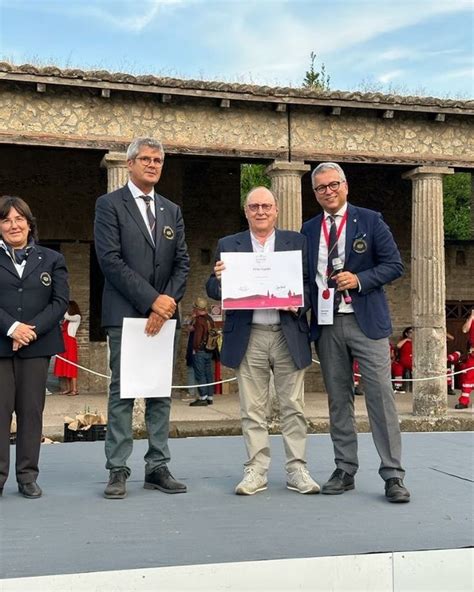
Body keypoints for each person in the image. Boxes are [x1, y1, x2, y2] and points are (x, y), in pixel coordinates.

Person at [301, 162, 410, 503]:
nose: (328, 191)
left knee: (381, 398)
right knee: (338, 399)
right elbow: (305, 279)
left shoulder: (370, 220)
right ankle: (345, 468)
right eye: (321, 188)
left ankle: (392, 474)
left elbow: (394, 265)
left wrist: (360, 280)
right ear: (315, 193)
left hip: (366, 321)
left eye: (334, 184)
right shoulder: (308, 229)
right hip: (327, 322)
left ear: (345, 186)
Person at [206, 186, 319, 496]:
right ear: (246, 212)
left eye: (266, 206)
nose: (260, 211)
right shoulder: (229, 245)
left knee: (293, 406)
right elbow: (213, 290)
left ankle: (297, 468)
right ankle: (256, 469)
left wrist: (298, 302)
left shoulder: (297, 243)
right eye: (254, 206)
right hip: (249, 333)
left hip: (288, 333)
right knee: (252, 408)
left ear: (276, 210)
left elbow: (311, 285)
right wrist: (218, 279)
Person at [94, 137, 190, 499]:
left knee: (160, 393)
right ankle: (117, 469)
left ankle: (157, 467)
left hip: (164, 318)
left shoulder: (171, 210)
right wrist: (153, 301)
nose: (153, 165)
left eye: (158, 160)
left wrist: (166, 304)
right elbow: (110, 260)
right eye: (146, 159)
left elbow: (182, 263)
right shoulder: (109, 205)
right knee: (122, 393)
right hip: (125, 316)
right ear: (131, 164)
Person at [0, 196, 69, 499]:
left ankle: (27, 476)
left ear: (29, 224)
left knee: (31, 412)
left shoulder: (52, 259)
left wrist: (29, 331)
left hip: (36, 347)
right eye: (5, 220)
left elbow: (60, 302)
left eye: (19, 219)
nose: (13, 225)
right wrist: (12, 328)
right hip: (0, 346)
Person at [189, 297, 216, 406]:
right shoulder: (210, 318)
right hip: (209, 349)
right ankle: (210, 397)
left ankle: (203, 397)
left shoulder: (199, 320)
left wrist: (195, 349)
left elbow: (197, 338)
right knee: (208, 373)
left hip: (200, 350)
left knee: (200, 374)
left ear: (196, 308)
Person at [54, 300, 81, 395]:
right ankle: (69, 389)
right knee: (65, 366)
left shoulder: (77, 317)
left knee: (71, 366)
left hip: (70, 343)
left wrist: (62, 306)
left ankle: (74, 389)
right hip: (64, 342)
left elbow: (66, 316)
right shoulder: (67, 319)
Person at [396, 326, 413, 391]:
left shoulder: (416, 341)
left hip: (412, 362)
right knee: (398, 369)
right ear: (406, 334)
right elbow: (398, 346)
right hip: (403, 361)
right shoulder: (404, 341)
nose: (412, 334)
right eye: (410, 332)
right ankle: (398, 387)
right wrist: (406, 339)